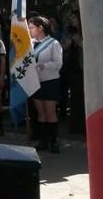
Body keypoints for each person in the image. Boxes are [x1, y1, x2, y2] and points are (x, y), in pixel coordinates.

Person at [29, 16, 63, 153]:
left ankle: (53, 142)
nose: (30, 30)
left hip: (50, 81)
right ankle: (43, 141)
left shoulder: (53, 43)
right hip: (36, 81)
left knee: (50, 113)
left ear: (40, 28)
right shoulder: (30, 43)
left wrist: (45, 65)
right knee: (41, 113)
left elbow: (58, 63)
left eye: (32, 28)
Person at [63, 11, 85, 134]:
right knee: (75, 98)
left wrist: (79, 42)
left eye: (74, 17)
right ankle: (75, 125)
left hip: (83, 68)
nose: (72, 20)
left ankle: (83, 125)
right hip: (72, 68)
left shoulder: (85, 31)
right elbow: (63, 47)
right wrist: (67, 45)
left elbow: (90, 48)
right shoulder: (70, 32)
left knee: (82, 97)